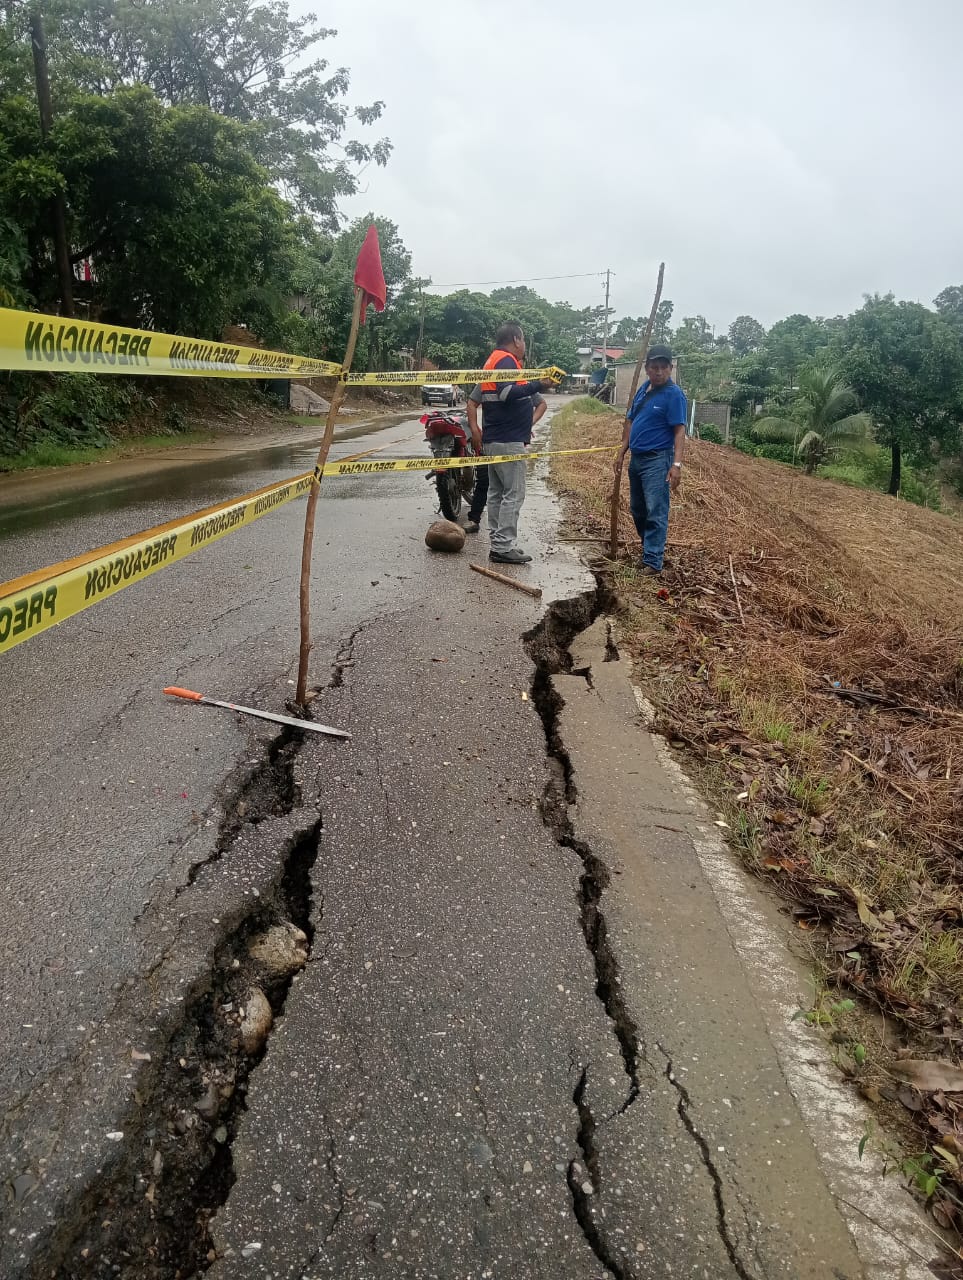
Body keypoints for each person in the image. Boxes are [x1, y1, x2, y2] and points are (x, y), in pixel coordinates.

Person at [467, 322, 555, 563]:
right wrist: (540, 383)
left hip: (495, 438)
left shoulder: (492, 361)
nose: (524, 346)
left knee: (497, 493)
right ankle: (503, 546)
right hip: (508, 440)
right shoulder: (506, 361)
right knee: (513, 494)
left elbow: (493, 396)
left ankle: (498, 541)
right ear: (516, 339)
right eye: (523, 341)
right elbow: (506, 394)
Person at [613, 344, 687, 576]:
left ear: (670, 368)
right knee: (638, 508)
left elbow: (679, 431)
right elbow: (631, 421)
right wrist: (622, 451)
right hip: (637, 458)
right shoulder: (644, 389)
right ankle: (649, 550)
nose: (658, 372)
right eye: (654, 367)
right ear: (646, 368)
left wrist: (676, 465)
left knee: (656, 509)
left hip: (658, 459)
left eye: (663, 367)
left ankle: (653, 561)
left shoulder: (674, 395)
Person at [464, 382, 546, 533]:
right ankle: (499, 541)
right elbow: (471, 403)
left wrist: (528, 425)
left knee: (499, 491)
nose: (518, 365)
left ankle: (498, 540)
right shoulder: (488, 380)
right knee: (499, 489)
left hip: (502, 441)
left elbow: (542, 404)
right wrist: (475, 430)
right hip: (495, 441)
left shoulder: (523, 383)